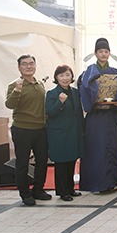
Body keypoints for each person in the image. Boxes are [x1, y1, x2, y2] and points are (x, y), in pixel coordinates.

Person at [78, 38, 117, 192]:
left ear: (109, 53)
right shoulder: (88, 73)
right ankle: (95, 183)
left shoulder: (116, 73)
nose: (103, 54)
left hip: (111, 116)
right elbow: (84, 96)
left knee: (111, 149)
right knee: (96, 151)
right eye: (100, 52)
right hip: (95, 118)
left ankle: (111, 181)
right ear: (95, 53)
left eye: (106, 51)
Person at [5, 55, 51, 206]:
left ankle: (38, 189)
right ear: (19, 67)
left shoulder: (39, 84)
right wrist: (17, 90)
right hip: (22, 129)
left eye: (31, 63)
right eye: (24, 64)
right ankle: (25, 193)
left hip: (40, 129)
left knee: (42, 161)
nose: (28, 66)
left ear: (35, 66)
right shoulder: (15, 84)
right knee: (22, 163)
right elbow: (10, 104)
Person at [46, 65, 85, 201]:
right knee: (61, 164)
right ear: (56, 78)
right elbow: (51, 113)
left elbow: (78, 114)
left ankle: (70, 189)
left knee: (72, 161)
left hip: (73, 132)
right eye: (61, 75)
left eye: (67, 75)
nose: (65, 78)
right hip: (59, 134)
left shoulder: (75, 92)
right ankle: (62, 192)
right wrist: (60, 102)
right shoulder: (52, 93)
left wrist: (82, 130)